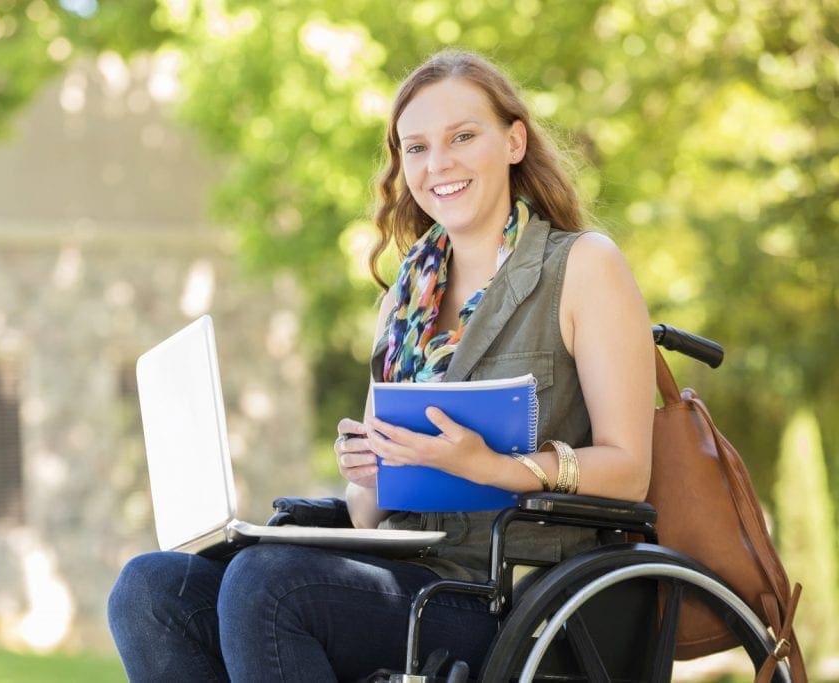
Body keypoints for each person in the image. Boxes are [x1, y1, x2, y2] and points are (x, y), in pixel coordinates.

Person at [107, 49, 654, 682]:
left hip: (511, 595)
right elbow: (368, 513)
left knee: (269, 587)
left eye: (463, 137)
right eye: (415, 147)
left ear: (514, 141)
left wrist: (494, 468)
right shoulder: (406, 295)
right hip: (404, 572)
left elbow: (629, 470)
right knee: (150, 591)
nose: (438, 163)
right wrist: (363, 469)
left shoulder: (582, 265)